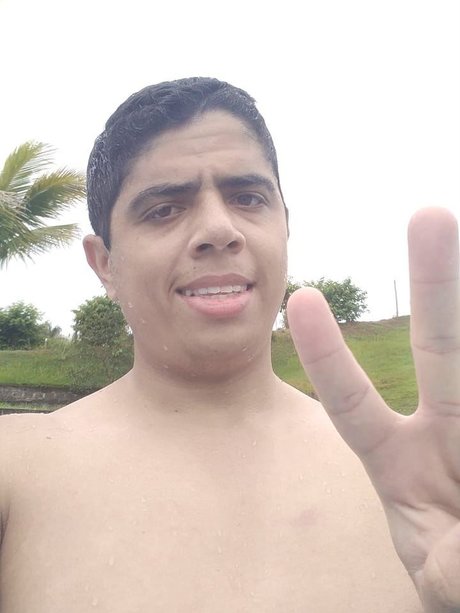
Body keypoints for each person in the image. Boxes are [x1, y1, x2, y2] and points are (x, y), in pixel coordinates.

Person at [0, 77, 458, 612]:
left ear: (285, 226)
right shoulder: (17, 470)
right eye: (164, 209)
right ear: (105, 263)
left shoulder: (414, 482)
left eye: (247, 198)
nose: (219, 230)